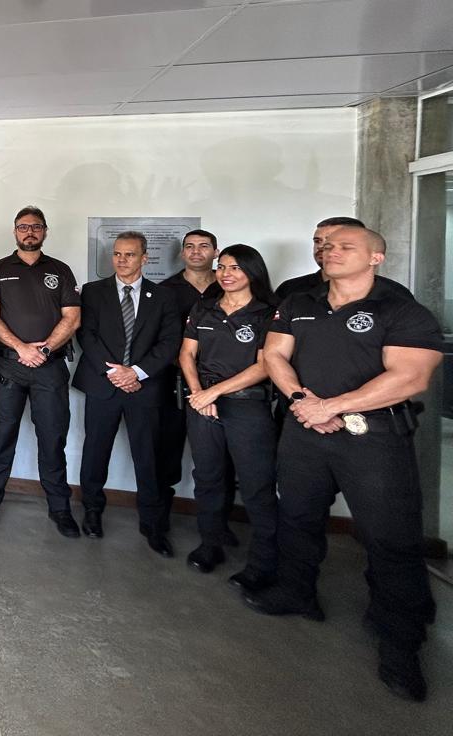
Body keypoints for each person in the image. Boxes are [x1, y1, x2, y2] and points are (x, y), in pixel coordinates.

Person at [244, 226, 443, 703]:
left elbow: (411, 377)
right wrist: (302, 402)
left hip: (372, 437)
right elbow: (273, 354)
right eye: (325, 246)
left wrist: (330, 407)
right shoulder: (299, 302)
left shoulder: (401, 309)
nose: (330, 251)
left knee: (390, 538)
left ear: (376, 257)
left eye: (345, 247)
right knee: (297, 517)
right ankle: (297, 592)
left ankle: (400, 639)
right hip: (304, 431)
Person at [74, 232, 181, 556]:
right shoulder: (93, 292)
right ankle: (92, 512)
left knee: (148, 457)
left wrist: (135, 372)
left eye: (130, 254)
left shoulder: (163, 297)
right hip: (103, 385)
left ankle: (152, 523)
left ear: (144, 258)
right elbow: (87, 336)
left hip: (144, 388)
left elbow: (169, 342)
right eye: (117, 254)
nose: (122, 260)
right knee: (95, 452)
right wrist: (115, 373)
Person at [179, 244, 279, 583]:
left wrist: (215, 392)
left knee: (256, 484)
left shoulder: (268, 313)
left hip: (247, 406)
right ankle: (211, 544)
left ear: (252, 271)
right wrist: (198, 393)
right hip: (203, 404)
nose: (226, 274)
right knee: (208, 478)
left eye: (235, 268)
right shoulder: (204, 308)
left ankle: (263, 562)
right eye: (222, 267)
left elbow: (265, 365)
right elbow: (186, 355)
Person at [0, 207, 81, 535]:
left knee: (52, 436)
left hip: (50, 367)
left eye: (36, 227)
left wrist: (44, 349)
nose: (29, 232)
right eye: (23, 227)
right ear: (15, 232)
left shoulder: (60, 270)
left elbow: (72, 318)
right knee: (2, 433)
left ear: (45, 231)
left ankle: (60, 508)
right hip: (10, 365)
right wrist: (22, 348)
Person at [157, 230, 226, 539]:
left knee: (218, 459)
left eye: (204, 246)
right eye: (190, 247)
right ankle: (159, 519)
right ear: (182, 253)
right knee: (167, 451)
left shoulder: (228, 285)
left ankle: (218, 526)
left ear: (216, 251)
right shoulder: (164, 290)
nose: (196, 252)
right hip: (172, 384)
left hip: (220, 386)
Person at [275, 216, 414, 300]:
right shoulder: (291, 289)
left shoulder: (394, 293)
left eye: (343, 245)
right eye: (318, 241)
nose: (323, 247)